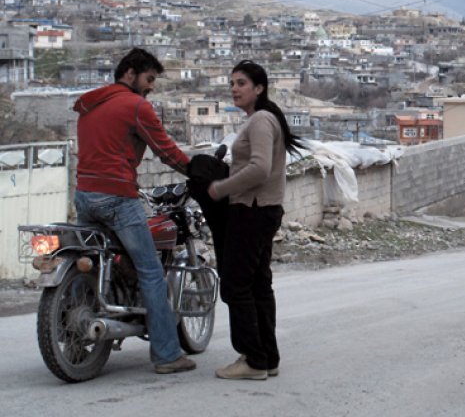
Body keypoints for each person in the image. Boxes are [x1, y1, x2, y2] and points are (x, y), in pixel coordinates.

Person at [72, 48, 196, 375]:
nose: (151, 86)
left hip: (84, 195)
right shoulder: (136, 106)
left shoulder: (89, 104)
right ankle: (168, 355)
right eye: (149, 79)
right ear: (130, 74)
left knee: (97, 260)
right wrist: (196, 171)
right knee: (151, 271)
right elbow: (166, 151)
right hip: (116, 196)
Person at [209, 60, 304, 381]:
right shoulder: (262, 119)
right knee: (259, 284)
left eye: (241, 83)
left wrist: (221, 188)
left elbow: (260, 168)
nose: (234, 89)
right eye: (232, 83)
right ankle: (267, 357)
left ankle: (253, 358)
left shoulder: (261, 120)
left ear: (259, 88)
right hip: (264, 210)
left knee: (236, 285)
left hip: (252, 210)